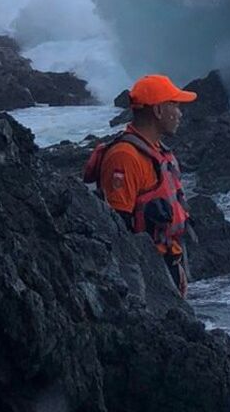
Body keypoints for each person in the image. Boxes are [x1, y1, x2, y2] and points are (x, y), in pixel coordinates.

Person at [84, 74, 196, 296]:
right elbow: (118, 231)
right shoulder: (124, 157)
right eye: (175, 105)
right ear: (158, 111)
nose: (180, 113)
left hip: (167, 261)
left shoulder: (157, 150)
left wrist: (177, 267)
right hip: (147, 270)